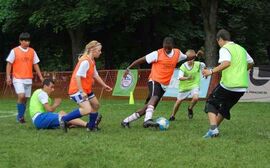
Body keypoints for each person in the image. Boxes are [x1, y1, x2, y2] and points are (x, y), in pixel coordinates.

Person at [121, 37, 197, 128]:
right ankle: (147, 120)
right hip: (154, 80)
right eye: (165, 48)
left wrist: (196, 55)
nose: (167, 50)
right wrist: (128, 68)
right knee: (155, 97)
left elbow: (187, 57)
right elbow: (141, 60)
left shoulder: (177, 53)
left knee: (148, 107)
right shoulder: (157, 53)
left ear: (173, 46)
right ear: (163, 46)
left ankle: (126, 121)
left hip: (164, 85)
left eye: (169, 48)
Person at [202, 29, 254, 138]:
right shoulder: (241, 49)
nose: (218, 44)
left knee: (211, 103)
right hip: (241, 87)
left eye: (218, 42)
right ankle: (214, 130)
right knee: (224, 108)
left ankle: (213, 129)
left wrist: (210, 71)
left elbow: (226, 63)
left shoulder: (225, 48)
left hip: (229, 84)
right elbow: (251, 62)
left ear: (220, 39)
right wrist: (241, 71)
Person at [60, 40, 112, 132]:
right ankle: (64, 119)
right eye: (99, 50)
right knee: (87, 109)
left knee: (96, 105)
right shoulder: (85, 61)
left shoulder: (91, 61)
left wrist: (104, 85)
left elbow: (95, 75)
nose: (100, 52)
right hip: (77, 90)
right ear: (92, 50)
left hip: (85, 89)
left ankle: (91, 127)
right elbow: (77, 76)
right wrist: (81, 91)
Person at [6, 32, 43, 123]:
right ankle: (20, 117)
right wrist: (8, 77)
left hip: (28, 78)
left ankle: (21, 117)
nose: (27, 42)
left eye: (28, 40)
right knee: (21, 96)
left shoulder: (32, 51)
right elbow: (9, 64)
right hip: (17, 78)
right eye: (25, 40)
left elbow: (35, 64)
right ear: (20, 41)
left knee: (25, 99)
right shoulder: (14, 51)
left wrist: (41, 77)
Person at [169, 49, 206, 121]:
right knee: (178, 101)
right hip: (184, 87)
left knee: (196, 98)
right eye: (188, 59)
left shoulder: (199, 64)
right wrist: (187, 78)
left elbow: (204, 68)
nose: (189, 61)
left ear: (194, 58)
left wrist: (205, 73)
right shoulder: (183, 66)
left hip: (194, 85)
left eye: (191, 59)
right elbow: (180, 77)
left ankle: (190, 108)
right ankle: (172, 115)